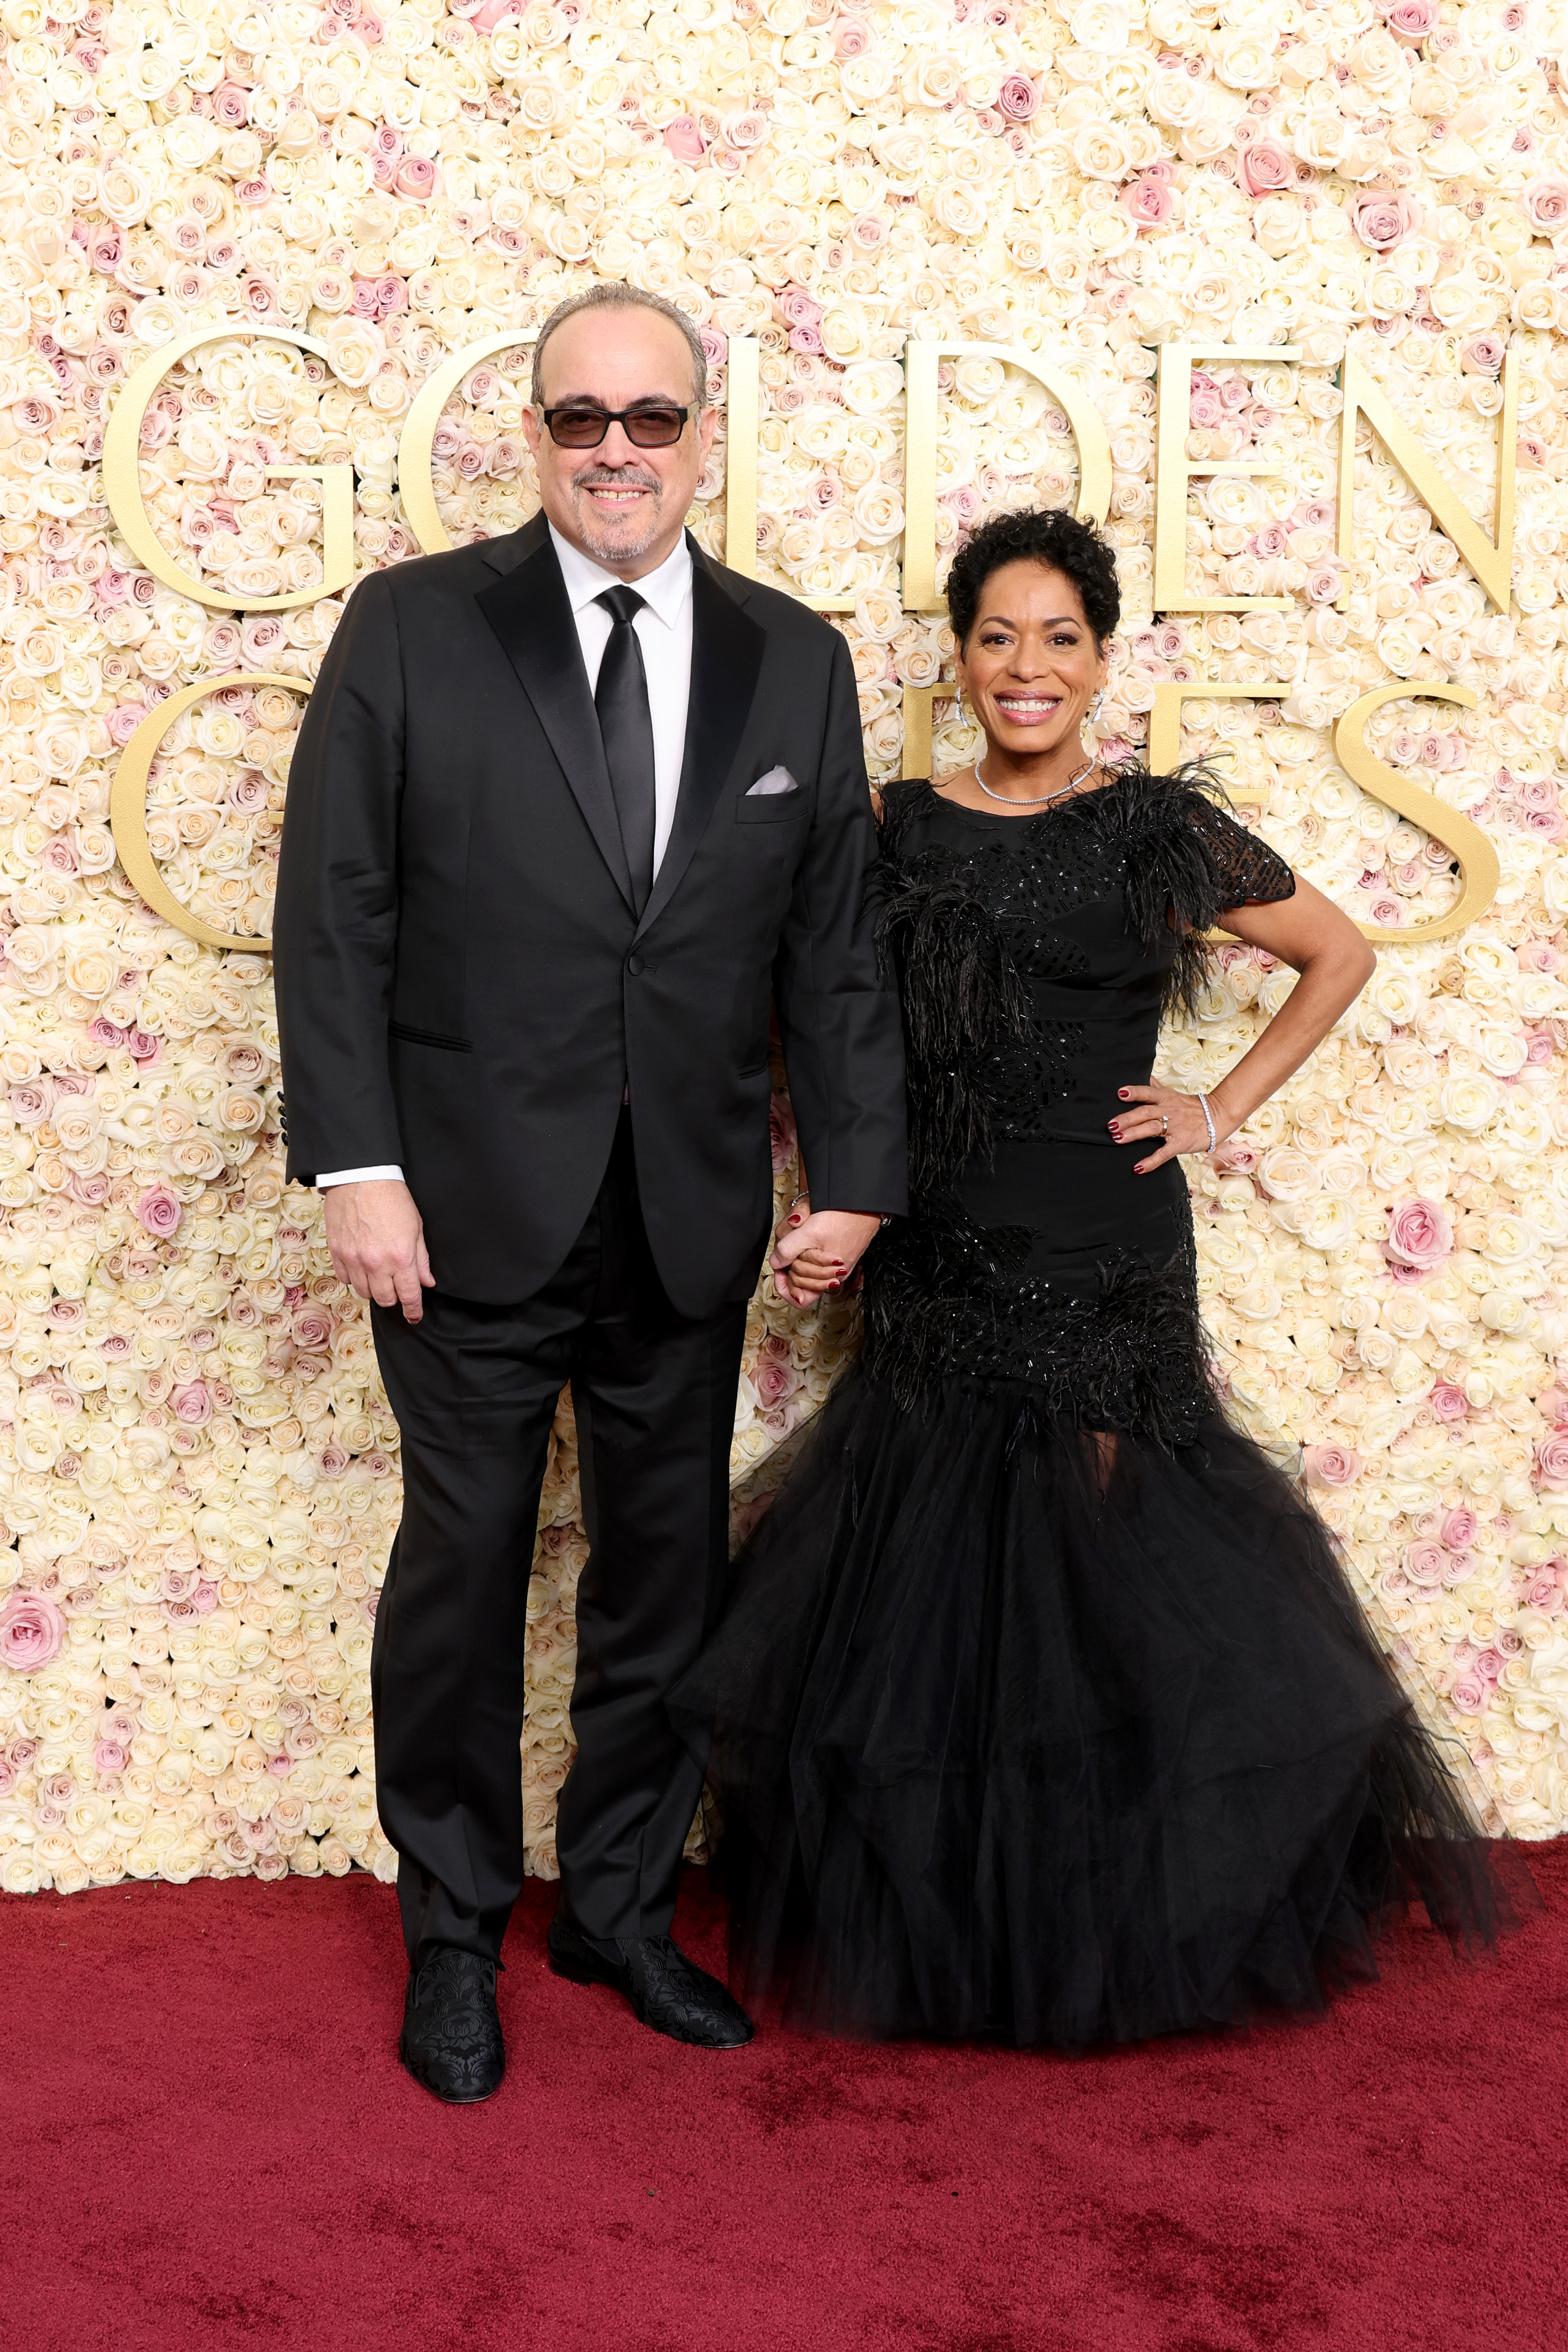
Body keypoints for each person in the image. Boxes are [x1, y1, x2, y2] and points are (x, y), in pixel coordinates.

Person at [672, 506, 1532, 2047]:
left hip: (1104, 1251)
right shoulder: (893, 827)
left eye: (1058, 638)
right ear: (956, 658)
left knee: (1096, 1573)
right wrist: (831, 1190)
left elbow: (1338, 953)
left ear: (1100, 659)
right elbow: (818, 1014)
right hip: (932, 1245)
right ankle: (957, 1919)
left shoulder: (1153, 831)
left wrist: (1219, 1109)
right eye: (996, 636)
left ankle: (1098, 1916)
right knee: (933, 1585)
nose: (1025, 666)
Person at [272, 283, 907, 2101]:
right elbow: (339, 912)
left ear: (705, 437)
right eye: (579, 418)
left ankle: (620, 1910)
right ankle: (454, 1933)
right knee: (459, 1580)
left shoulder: (797, 658)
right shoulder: (412, 627)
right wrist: (359, 1162)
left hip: (692, 1211)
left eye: (650, 417)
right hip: (457, 1211)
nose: (615, 449)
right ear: (535, 435)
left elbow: (833, 951)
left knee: (660, 1588)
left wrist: (855, 1173)